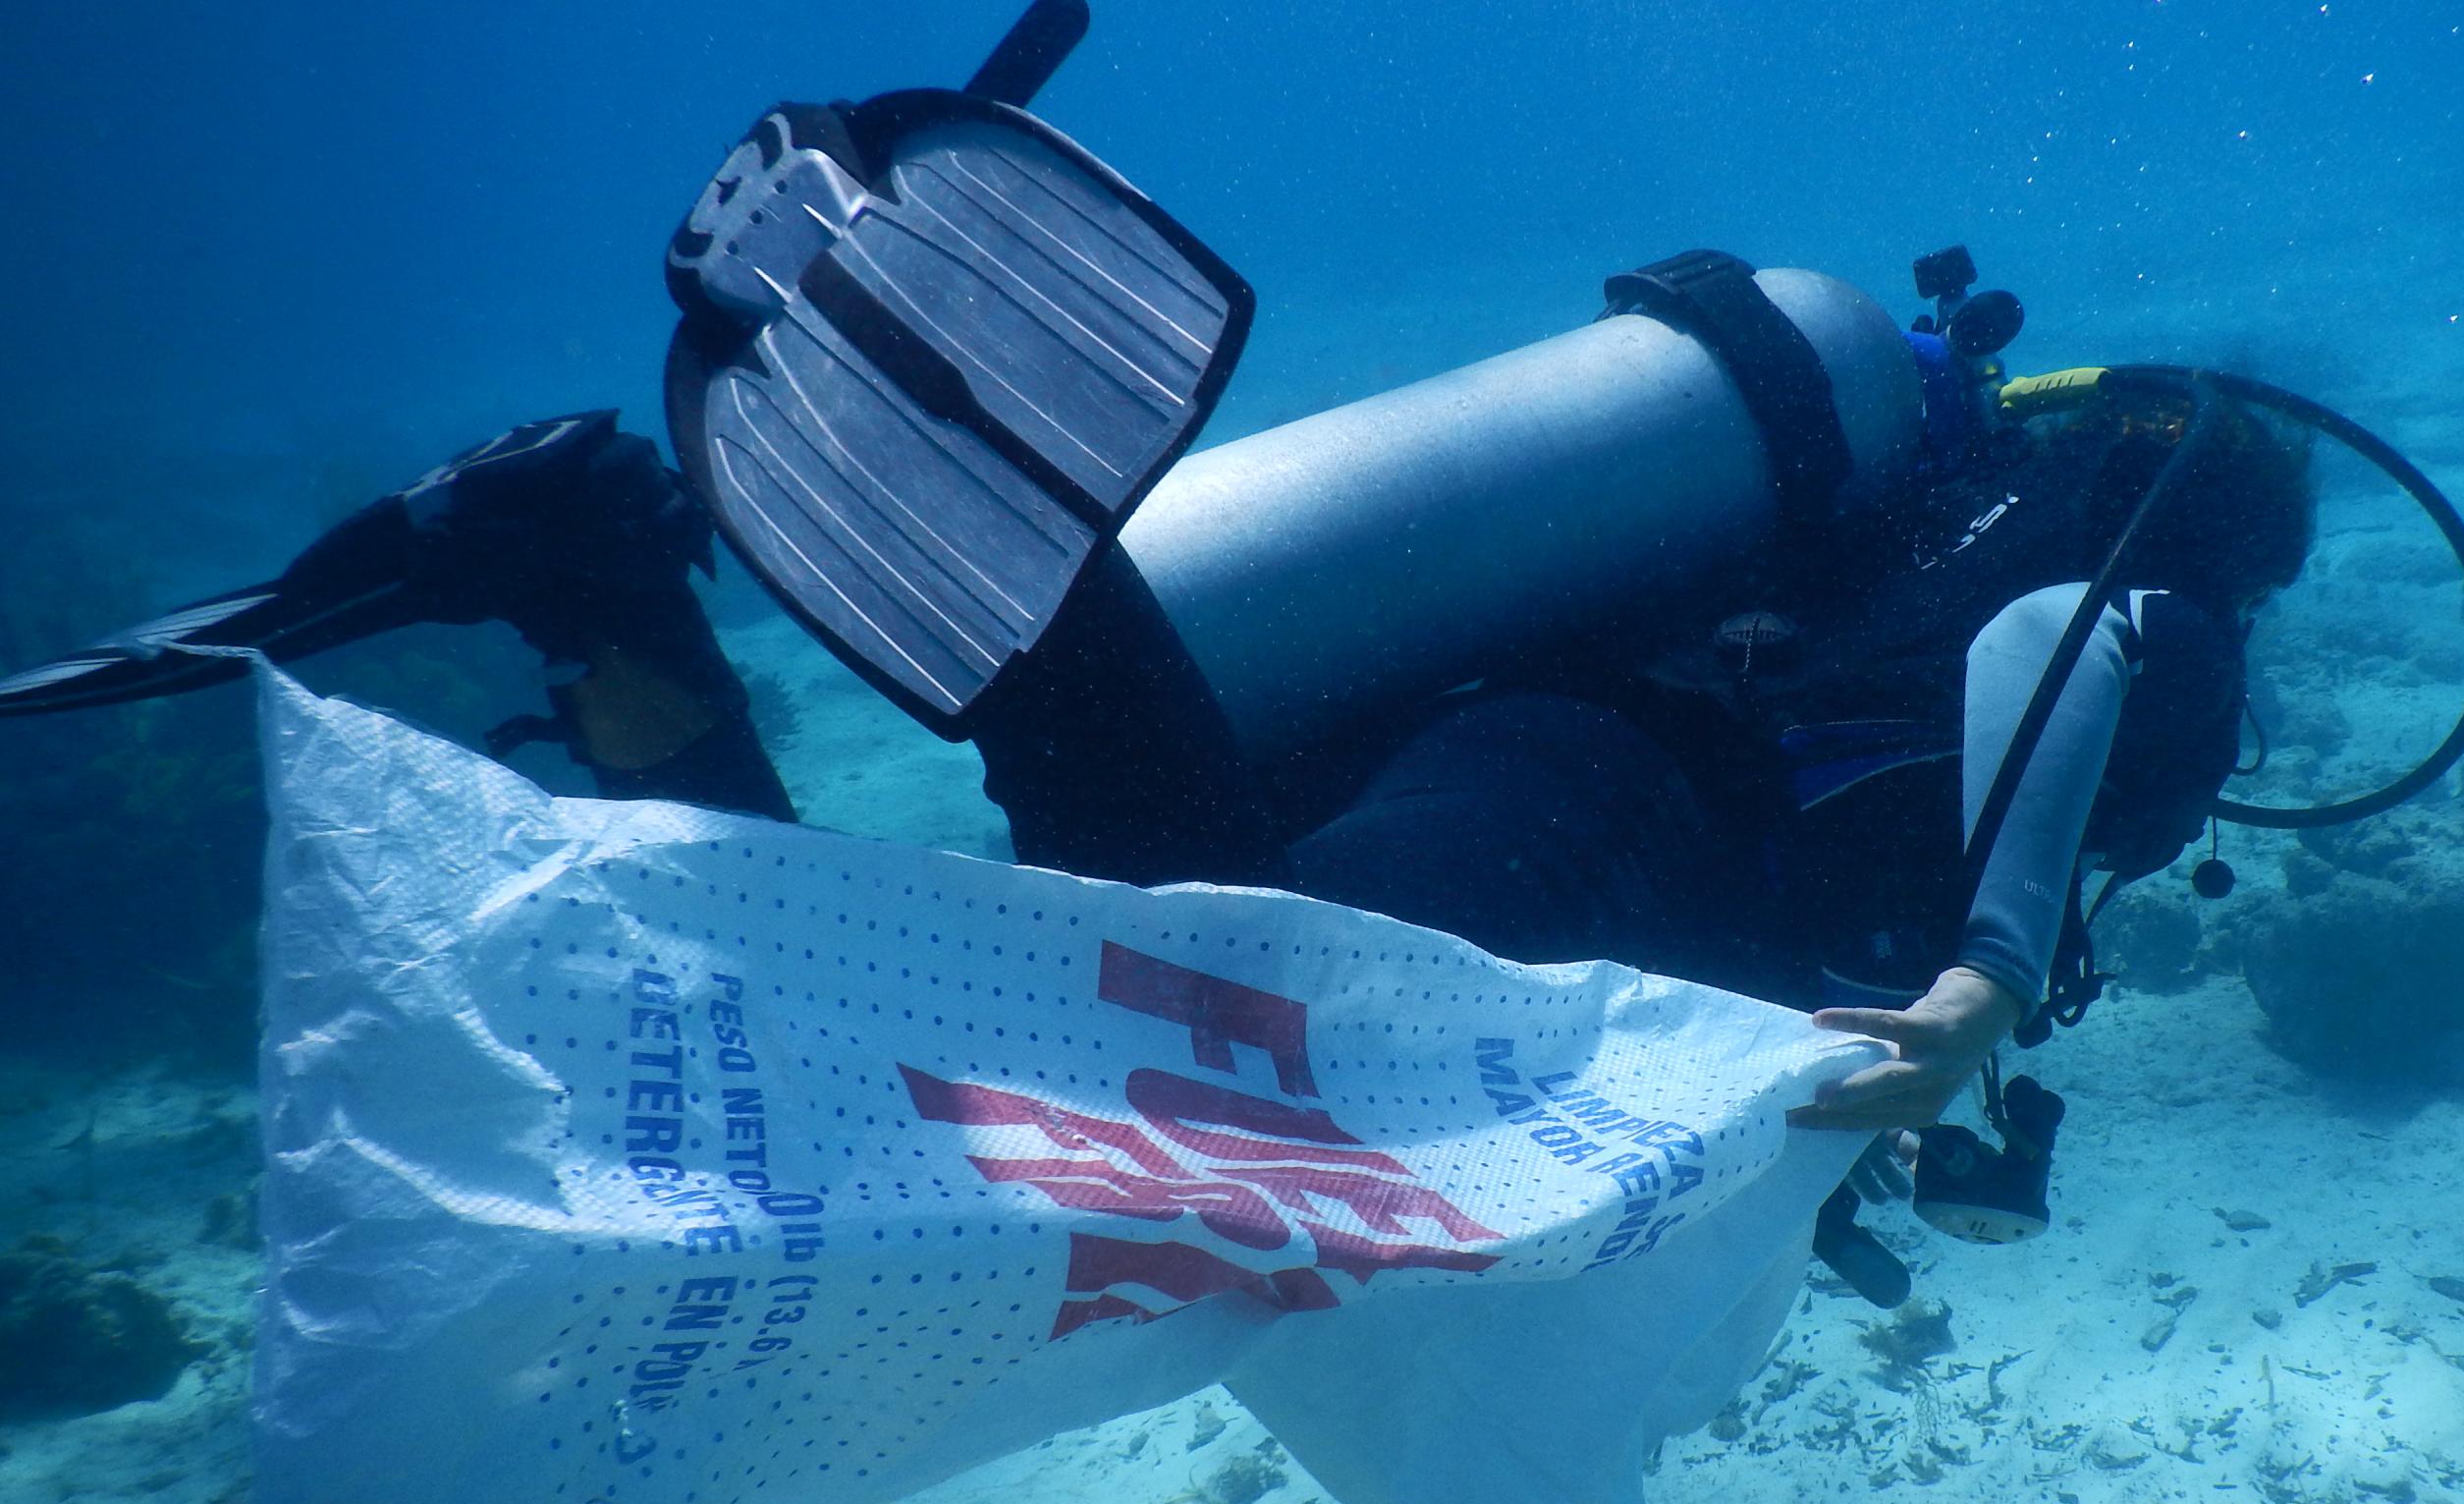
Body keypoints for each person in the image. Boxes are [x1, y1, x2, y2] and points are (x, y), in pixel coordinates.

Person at [0, 355, 2312, 1308]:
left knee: (1076, 1004)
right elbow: (2067, 665)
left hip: (1496, 767)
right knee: (1069, 1109)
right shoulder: (2148, 603)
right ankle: (633, 575)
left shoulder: (1882, 513)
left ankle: (676, 573)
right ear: (2238, 540)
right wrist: (1996, 981)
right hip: (1591, 819)